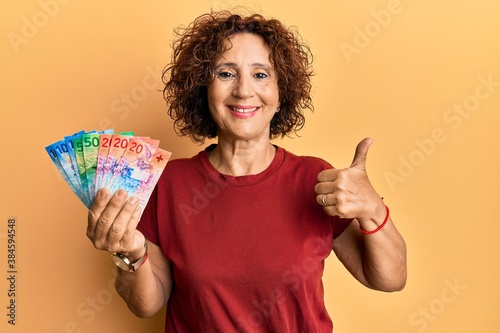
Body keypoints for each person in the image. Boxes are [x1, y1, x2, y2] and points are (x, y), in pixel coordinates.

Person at [87, 10, 407, 332]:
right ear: (204, 89)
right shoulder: (169, 183)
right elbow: (147, 305)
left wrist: (373, 209)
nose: (243, 90)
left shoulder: (315, 179)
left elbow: (390, 279)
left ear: (281, 94)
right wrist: (129, 253)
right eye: (226, 73)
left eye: (261, 75)